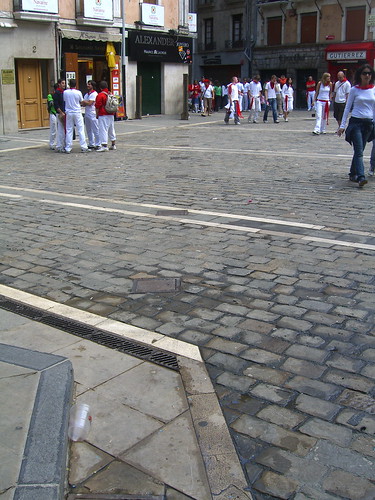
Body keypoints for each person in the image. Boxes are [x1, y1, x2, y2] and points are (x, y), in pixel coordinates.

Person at [338, 64, 375, 187]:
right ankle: (360, 177)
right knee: (359, 151)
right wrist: (342, 125)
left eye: (369, 73)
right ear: (360, 75)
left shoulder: (373, 89)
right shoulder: (354, 89)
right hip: (356, 123)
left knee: (360, 149)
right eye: (364, 73)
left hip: (368, 124)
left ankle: (352, 173)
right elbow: (347, 107)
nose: (367, 75)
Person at [63, 79, 89, 153]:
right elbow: (81, 101)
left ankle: (68, 147)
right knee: (80, 129)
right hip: (77, 111)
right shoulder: (78, 92)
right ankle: (84, 146)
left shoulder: (65, 92)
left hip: (69, 112)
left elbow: (65, 100)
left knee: (69, 129)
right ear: (75, 84)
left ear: (69, 84)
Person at [95, 80, 116, 152]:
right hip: (111, 114)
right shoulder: (110, 94)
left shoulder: (100, 95)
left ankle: (104, 145)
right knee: (111, 129)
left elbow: (97, 106)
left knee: (103, 129)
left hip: (103, 114)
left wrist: (97, 114)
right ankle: (113, 144)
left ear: (100, 87)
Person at [81, 80, 100, 150]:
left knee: (96, 129)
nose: (88, 85)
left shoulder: (94, 94)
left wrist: (85, 102)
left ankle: (98, 143)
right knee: (88, 129)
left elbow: (89, 103)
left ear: (92, 86)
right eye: (87, 84)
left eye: (89, 84)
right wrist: (86, 102)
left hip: (93, 113)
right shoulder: (86, 94)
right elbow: (83, 103)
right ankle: (91, 143)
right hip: (87, 113)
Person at [52, 79, 66, 153]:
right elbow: (56, 105)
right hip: (60, 113)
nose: (64, 84)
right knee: (60, 130)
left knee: (64, 130)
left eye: (64, 83)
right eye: (62, 83)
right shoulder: (57, 93)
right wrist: (61, 112)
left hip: (64, 112)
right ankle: (59, 145)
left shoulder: (64, 92)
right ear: (59, 84)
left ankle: (63, 144)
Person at [47, 83, 58, 150]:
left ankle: (59, 143)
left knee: (60, 129)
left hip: (59, 113)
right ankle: (52, 143)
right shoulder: (50, 95)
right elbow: (51, 103)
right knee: (53, 129)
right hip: (53, 113)